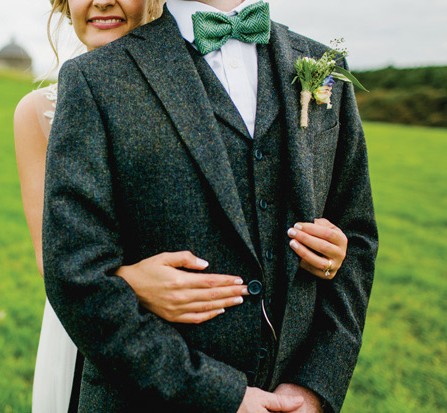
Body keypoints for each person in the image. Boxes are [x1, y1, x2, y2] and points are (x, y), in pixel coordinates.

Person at [41, 0, 377, 411]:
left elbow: (356, 238)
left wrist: (313, 388)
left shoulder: (322, 64)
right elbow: (74, 272)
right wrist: (220, 395)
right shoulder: (93, 78)